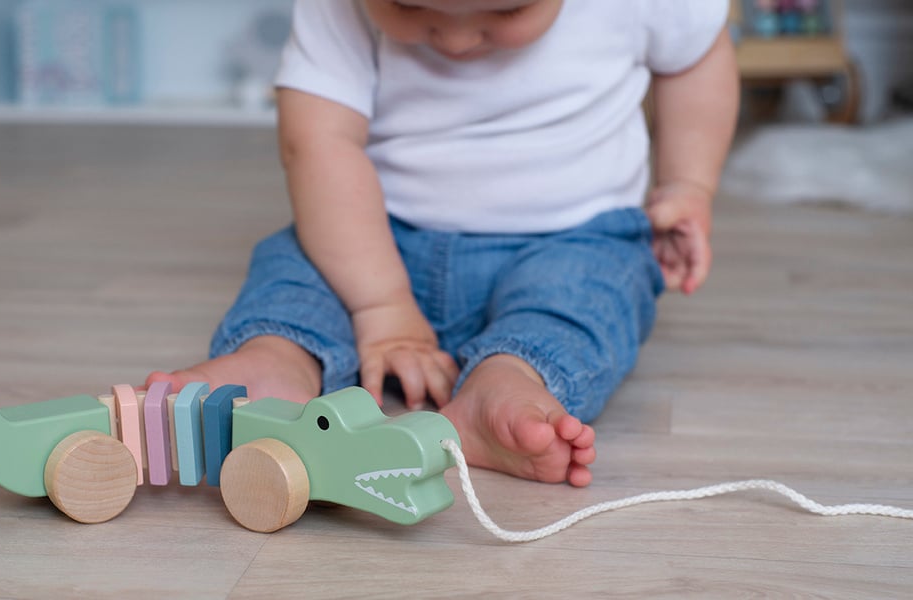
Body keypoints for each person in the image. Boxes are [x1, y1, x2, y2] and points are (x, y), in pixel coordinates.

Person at [147, 0, 739, 487]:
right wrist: (381, 305)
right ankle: (278, 359)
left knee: (596, 286)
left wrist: (688, 185)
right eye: (407, 7)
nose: (455, 41)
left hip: (569, 240)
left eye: (507, 11)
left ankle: (509, 378)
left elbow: (693, 59)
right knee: (298, 261)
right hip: (373, 240)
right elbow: (318, 142)